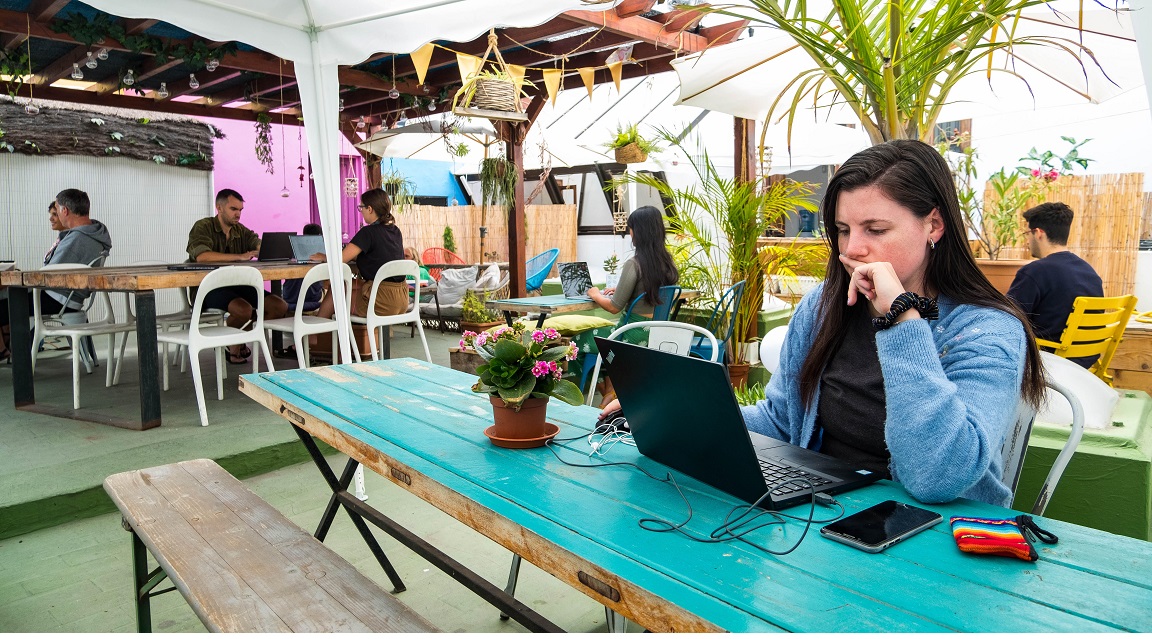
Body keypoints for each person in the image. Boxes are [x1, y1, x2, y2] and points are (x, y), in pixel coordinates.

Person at [604, 140, 1046, 508]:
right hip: (825, 513)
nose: (853, 249)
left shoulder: (984, 329)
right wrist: (674, 414)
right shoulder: (823, 307)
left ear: (933, 224)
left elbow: (938, 476)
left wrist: (900, 317)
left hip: (935, 537)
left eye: (875, 229)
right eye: (841, 229)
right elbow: (780, 422)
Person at [576, 205, 679, 405]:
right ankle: (610, 391)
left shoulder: (634, 263)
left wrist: (595, 294)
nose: (629, 232)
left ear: (638, 232)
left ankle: (605, 391)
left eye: (631, 228)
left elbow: (614, 307)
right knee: (607, 350)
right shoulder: (668, 262)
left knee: (578, 342)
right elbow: (651, 290)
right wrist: (626, 291)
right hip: (657, 332)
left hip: (630, 333)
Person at [0, 189, 113, 362]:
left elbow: (48, 275)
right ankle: (9, 351)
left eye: (57, 210)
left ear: (64, 210)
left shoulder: (77, 238)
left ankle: (15, 357)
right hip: (72, 298)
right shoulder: (95, 233)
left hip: (57, 299)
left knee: (6, 303)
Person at [185, 188, 288, 363]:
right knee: (244, 310)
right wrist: (240, 256)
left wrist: (264, 248)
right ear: (219, 207)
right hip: (207, 288)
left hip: (238, 286)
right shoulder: (203, 226)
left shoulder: (241, 230)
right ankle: (233, 345)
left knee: (279, 306)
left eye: (240, 210)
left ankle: (237, 340)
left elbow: (256, 243)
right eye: (234, 209)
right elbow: (202, 256)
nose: (238, 214)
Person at [1007, 202, 1104, 369]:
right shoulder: (1089, 272)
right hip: (1084, 365)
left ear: (1038, 233)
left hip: (1049, 364)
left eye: (1027, 233)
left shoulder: (1035, 272)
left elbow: (1007, 320)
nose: (1027, 240)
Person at [312, 188, 407, 319]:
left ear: (370, 209)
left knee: (337, 288)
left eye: (361, 207)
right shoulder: (395, 231)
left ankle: (315, 337)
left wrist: (324, 257)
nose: (361, 211)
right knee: (347, 285)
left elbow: (340, 260)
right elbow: (380, 255)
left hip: (381, 301)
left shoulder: (368, 232)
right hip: (401, 299)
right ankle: (331, 337)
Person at [282, 223, 325, 313]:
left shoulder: (294, 252)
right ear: (320, 237)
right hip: (313, 300)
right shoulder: (322, 255)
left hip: (289, 299)